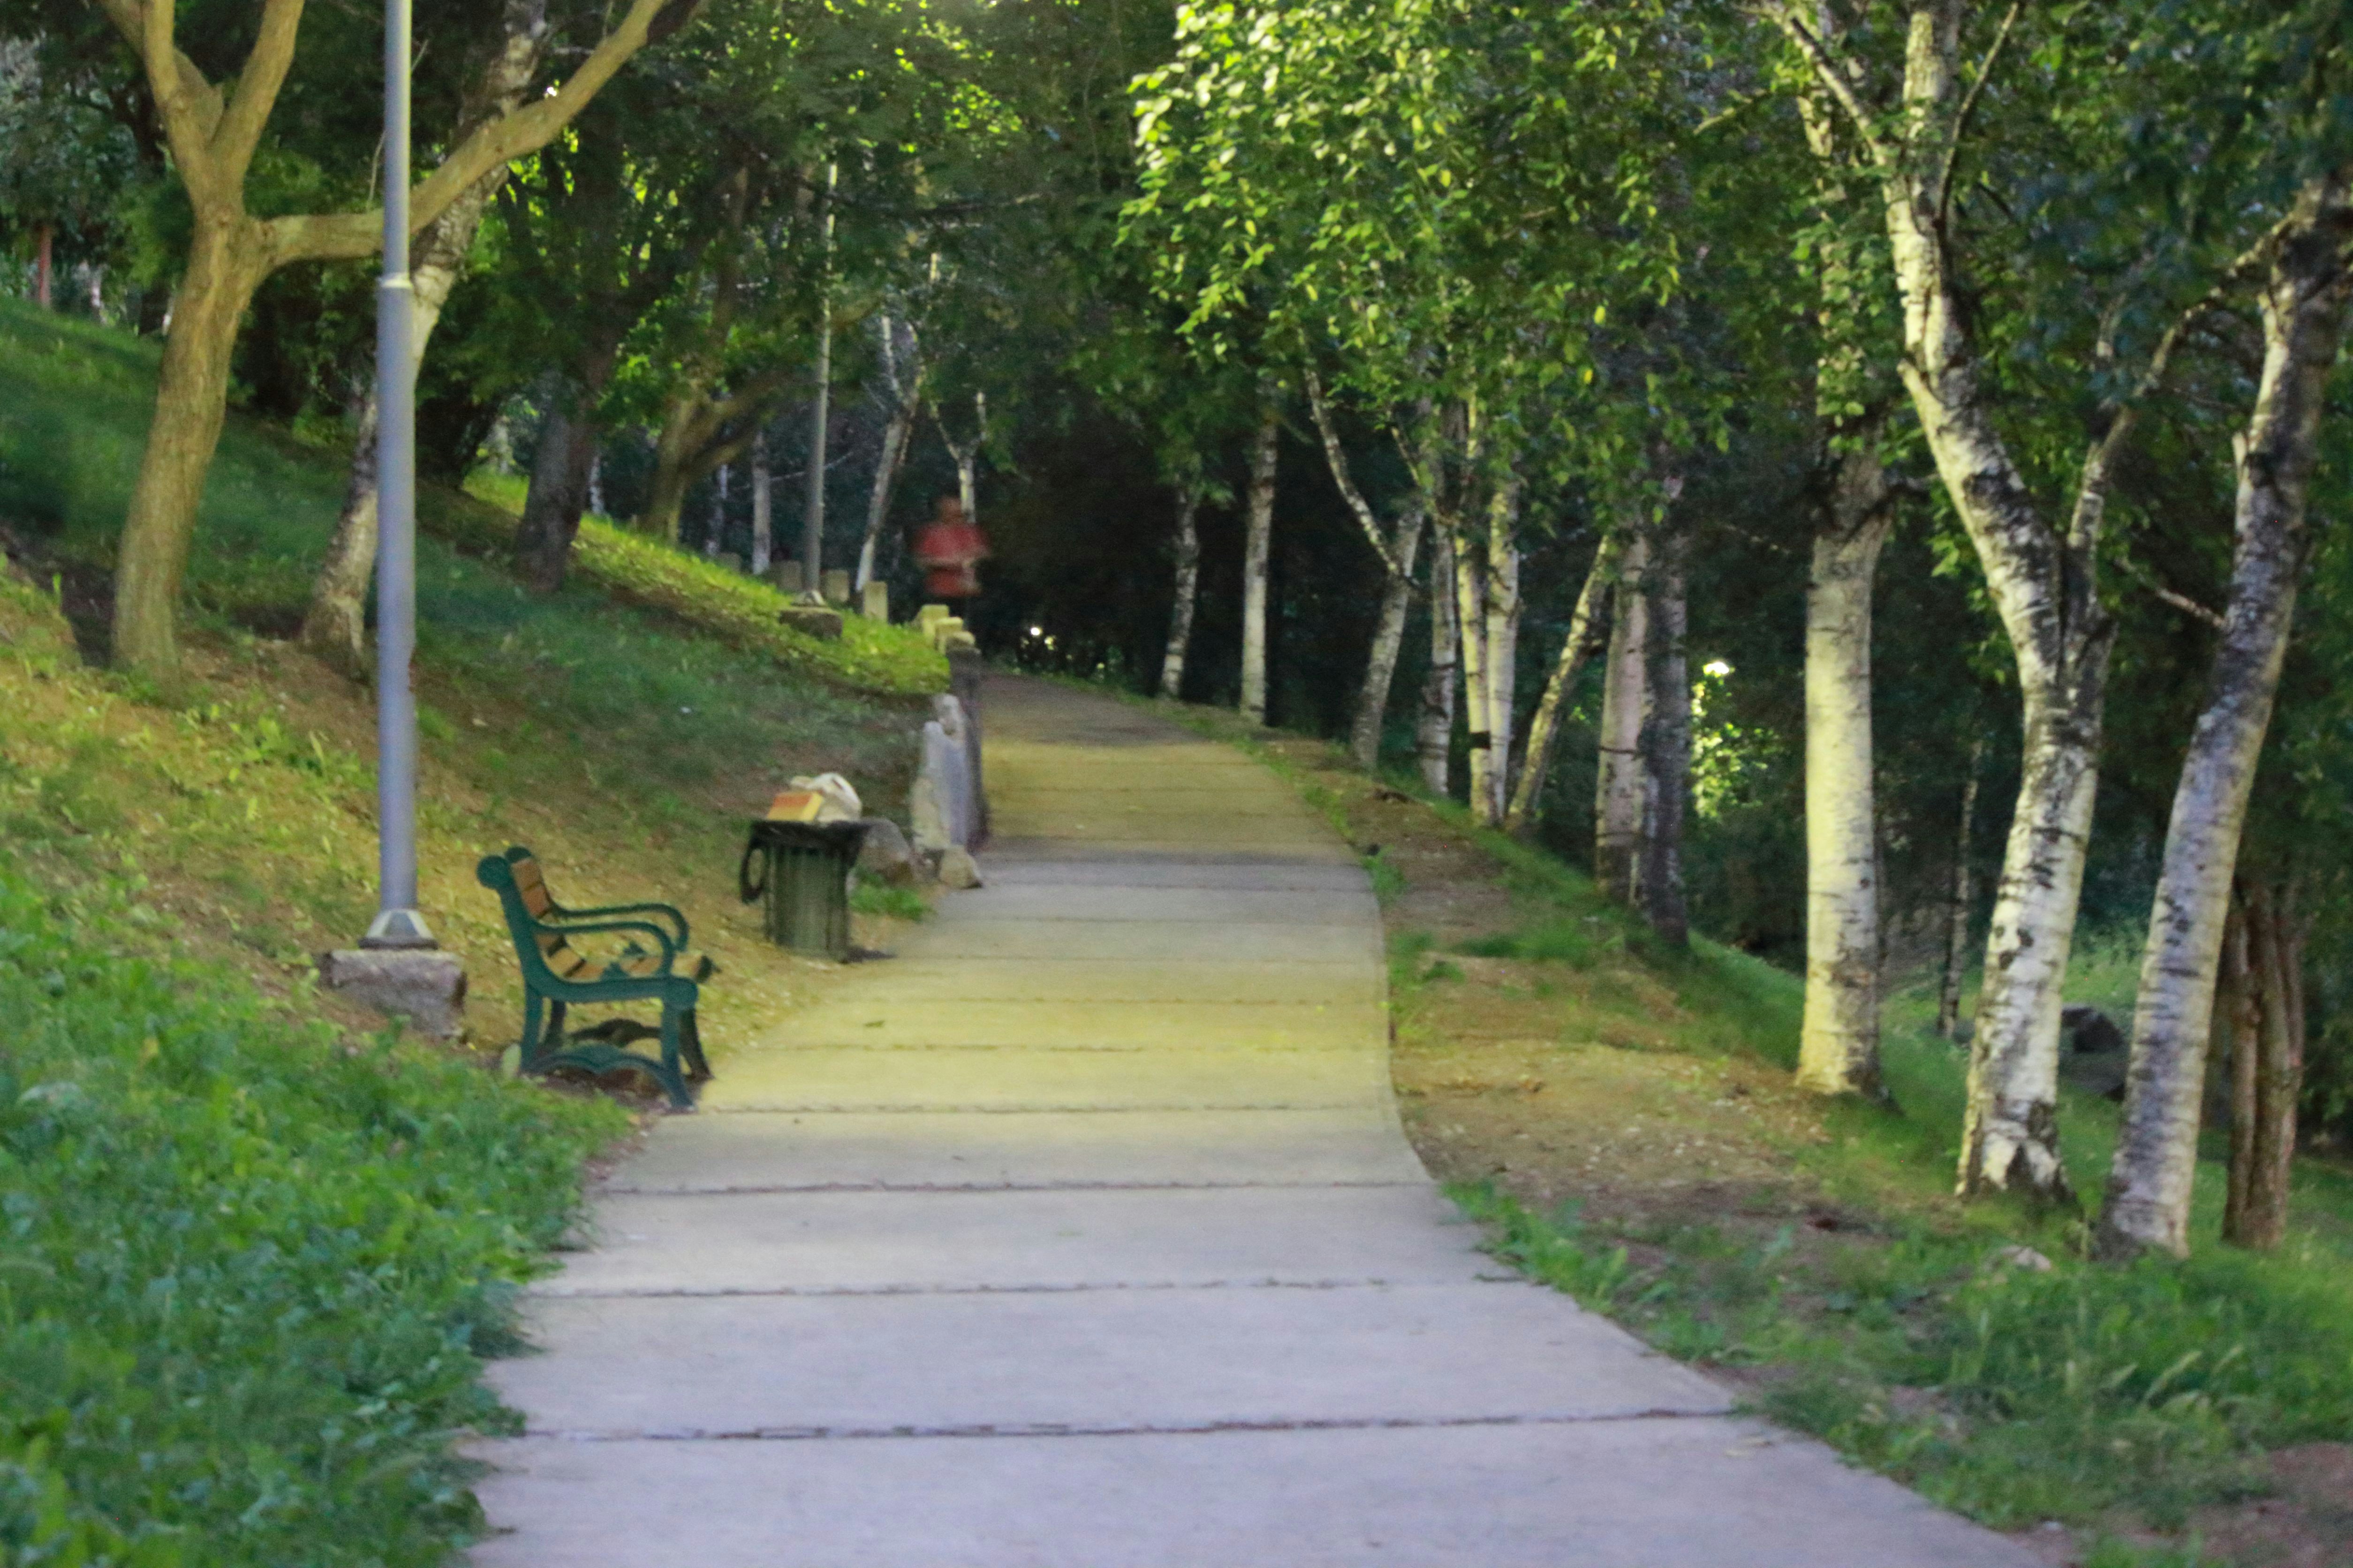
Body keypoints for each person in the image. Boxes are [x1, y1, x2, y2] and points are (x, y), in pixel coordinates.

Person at [912, 494, 988, 618]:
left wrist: (975, 558)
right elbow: (921, 561)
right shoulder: (932, 533)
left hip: (969, 593)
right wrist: (947, 563)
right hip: (941, 593)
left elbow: (984, 553)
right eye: (949, 509)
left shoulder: (971, 532)